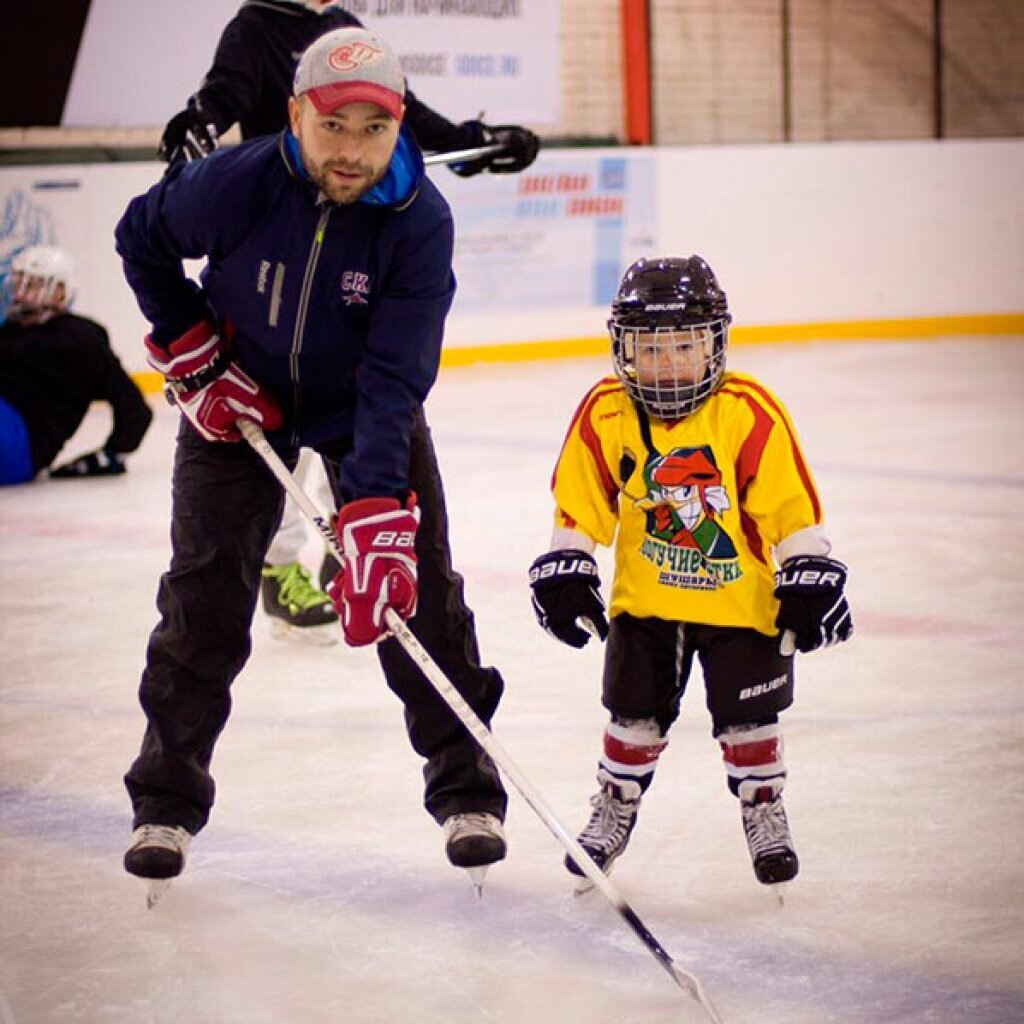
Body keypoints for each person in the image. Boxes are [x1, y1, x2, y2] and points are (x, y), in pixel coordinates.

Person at [116, 26, 509, 899]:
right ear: (296, 114)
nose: (353, 150)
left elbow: (395, 379)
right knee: (204, 596)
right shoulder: (239, 180)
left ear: (399, 126)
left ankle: (467, 793)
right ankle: (166, 801)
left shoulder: (418, 221)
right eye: (334, 126)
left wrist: (376, 518)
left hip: (357, 403)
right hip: (238, 400)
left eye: (376, 129)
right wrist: (195, 354)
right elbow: (140, 235)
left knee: (422, 594)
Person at [159, 0, 540, 640]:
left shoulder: (347, 29)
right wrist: (198, 124)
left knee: (354, 409)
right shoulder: (257, 25)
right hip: (275, 245)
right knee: (272, 431)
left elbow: (407, 117)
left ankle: (359, 540)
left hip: (346, 244)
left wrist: (477, 141)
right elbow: (223, 94)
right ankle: (280, 566)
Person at [528, 256, 853, 892]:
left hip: (740, 606)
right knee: (631, 714)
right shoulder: (605, 412)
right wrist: (567, 564)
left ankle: (762, 806)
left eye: (685, 344)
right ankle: (616, 802)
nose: (668, 362)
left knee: (749, 721)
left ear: (714, 343)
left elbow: (789, 508)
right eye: (650, 347)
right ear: (624, 348)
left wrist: (809, 566)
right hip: (645, 603)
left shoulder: (747, 411)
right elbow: (581, 501)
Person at [0, 245, 153, 486]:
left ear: (60, 292)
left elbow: (133, 407)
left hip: (21, 444)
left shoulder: (80, 337)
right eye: (19, 283)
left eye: (32, 285)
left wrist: (112, 455)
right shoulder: (11, 329)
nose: (19, 293)